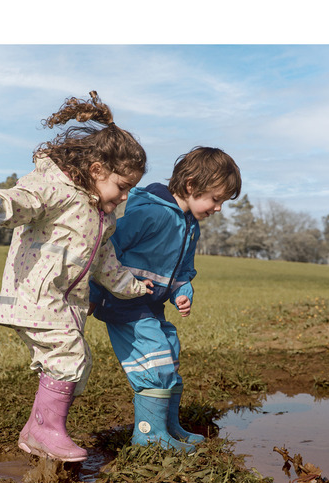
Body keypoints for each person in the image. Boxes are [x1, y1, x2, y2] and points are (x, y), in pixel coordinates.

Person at [0, 91, 153, 463]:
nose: (124, 197)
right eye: (122, 186)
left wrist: (134, 287)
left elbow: (105, 262)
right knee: (68, 355)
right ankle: (47, 431)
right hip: (35, 296)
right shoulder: (54, 187)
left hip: (65, 305)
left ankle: (36, 429)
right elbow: (19, 200)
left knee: (79, 366)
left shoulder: (102, 215)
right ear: (97, 171)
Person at [89, 146, 242, 453]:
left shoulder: (190, 226)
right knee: (155, 358)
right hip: (123, 302)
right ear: (190, 186)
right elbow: (108, 249)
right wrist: (101, 292)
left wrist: (183, 293)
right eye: (216, 199)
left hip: (150, 304)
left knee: (169, 352)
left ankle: (168, 428)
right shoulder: (150, 211)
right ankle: (149, 437)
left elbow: (182, 270)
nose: (218, 208)